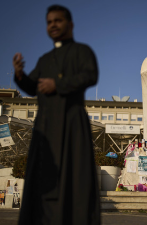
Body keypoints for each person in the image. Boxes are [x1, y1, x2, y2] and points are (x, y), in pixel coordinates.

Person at [13, 5, 100, 224]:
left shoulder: (83, 51)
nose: (53, 25)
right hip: (46, 126)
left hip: (72, 124)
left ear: (69, 25)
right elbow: (32, 87)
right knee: (42, 178)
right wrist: (20, 75)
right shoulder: (44, 59)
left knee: (74, 177)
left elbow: (90, 76)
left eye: (57, 21)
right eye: (49, 22)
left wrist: (58, 84)